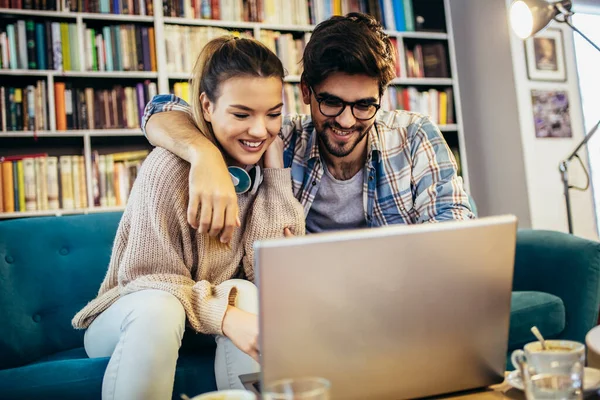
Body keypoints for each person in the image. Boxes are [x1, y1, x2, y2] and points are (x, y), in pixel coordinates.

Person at [71, 36, 306, 400]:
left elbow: (271, 276)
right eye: (242, 114)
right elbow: (149, 282)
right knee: (159, 308)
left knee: (245, 291)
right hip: (134, 317)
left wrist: (274, 171)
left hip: (199, 323)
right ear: (207, 107)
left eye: (273, 114)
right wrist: (226, 318)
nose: (260, 130)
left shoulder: (259, 166)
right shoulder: (169, 167)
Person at [142, 12, 474, 243]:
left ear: (380, 97)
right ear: (305, 91)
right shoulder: (277, 137)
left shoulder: (413, 135)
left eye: (363, 105)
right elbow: (159, 109)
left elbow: (455, 226)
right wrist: (204, 155)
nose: (346, 121)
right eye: (331, 102)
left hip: (401, 293)